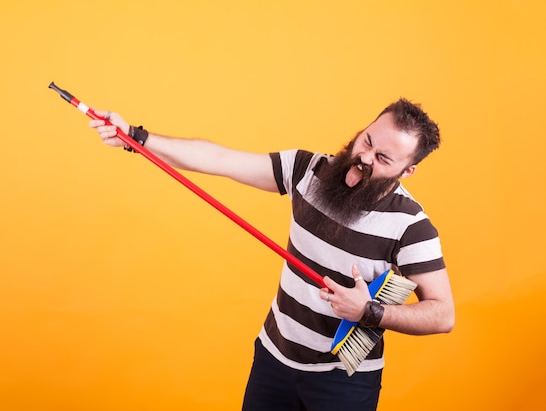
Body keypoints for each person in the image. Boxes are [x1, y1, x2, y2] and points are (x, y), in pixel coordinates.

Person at [88, 98, 455, 411]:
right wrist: (136, 137)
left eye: (382, 158)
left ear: (407, 171)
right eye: (367, 140)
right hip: (272, 361)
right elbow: (219, 159)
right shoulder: (307, 170)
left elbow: (443, 314)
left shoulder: (411, 227)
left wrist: (369, 312)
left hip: (342, 384)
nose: (364, 157)